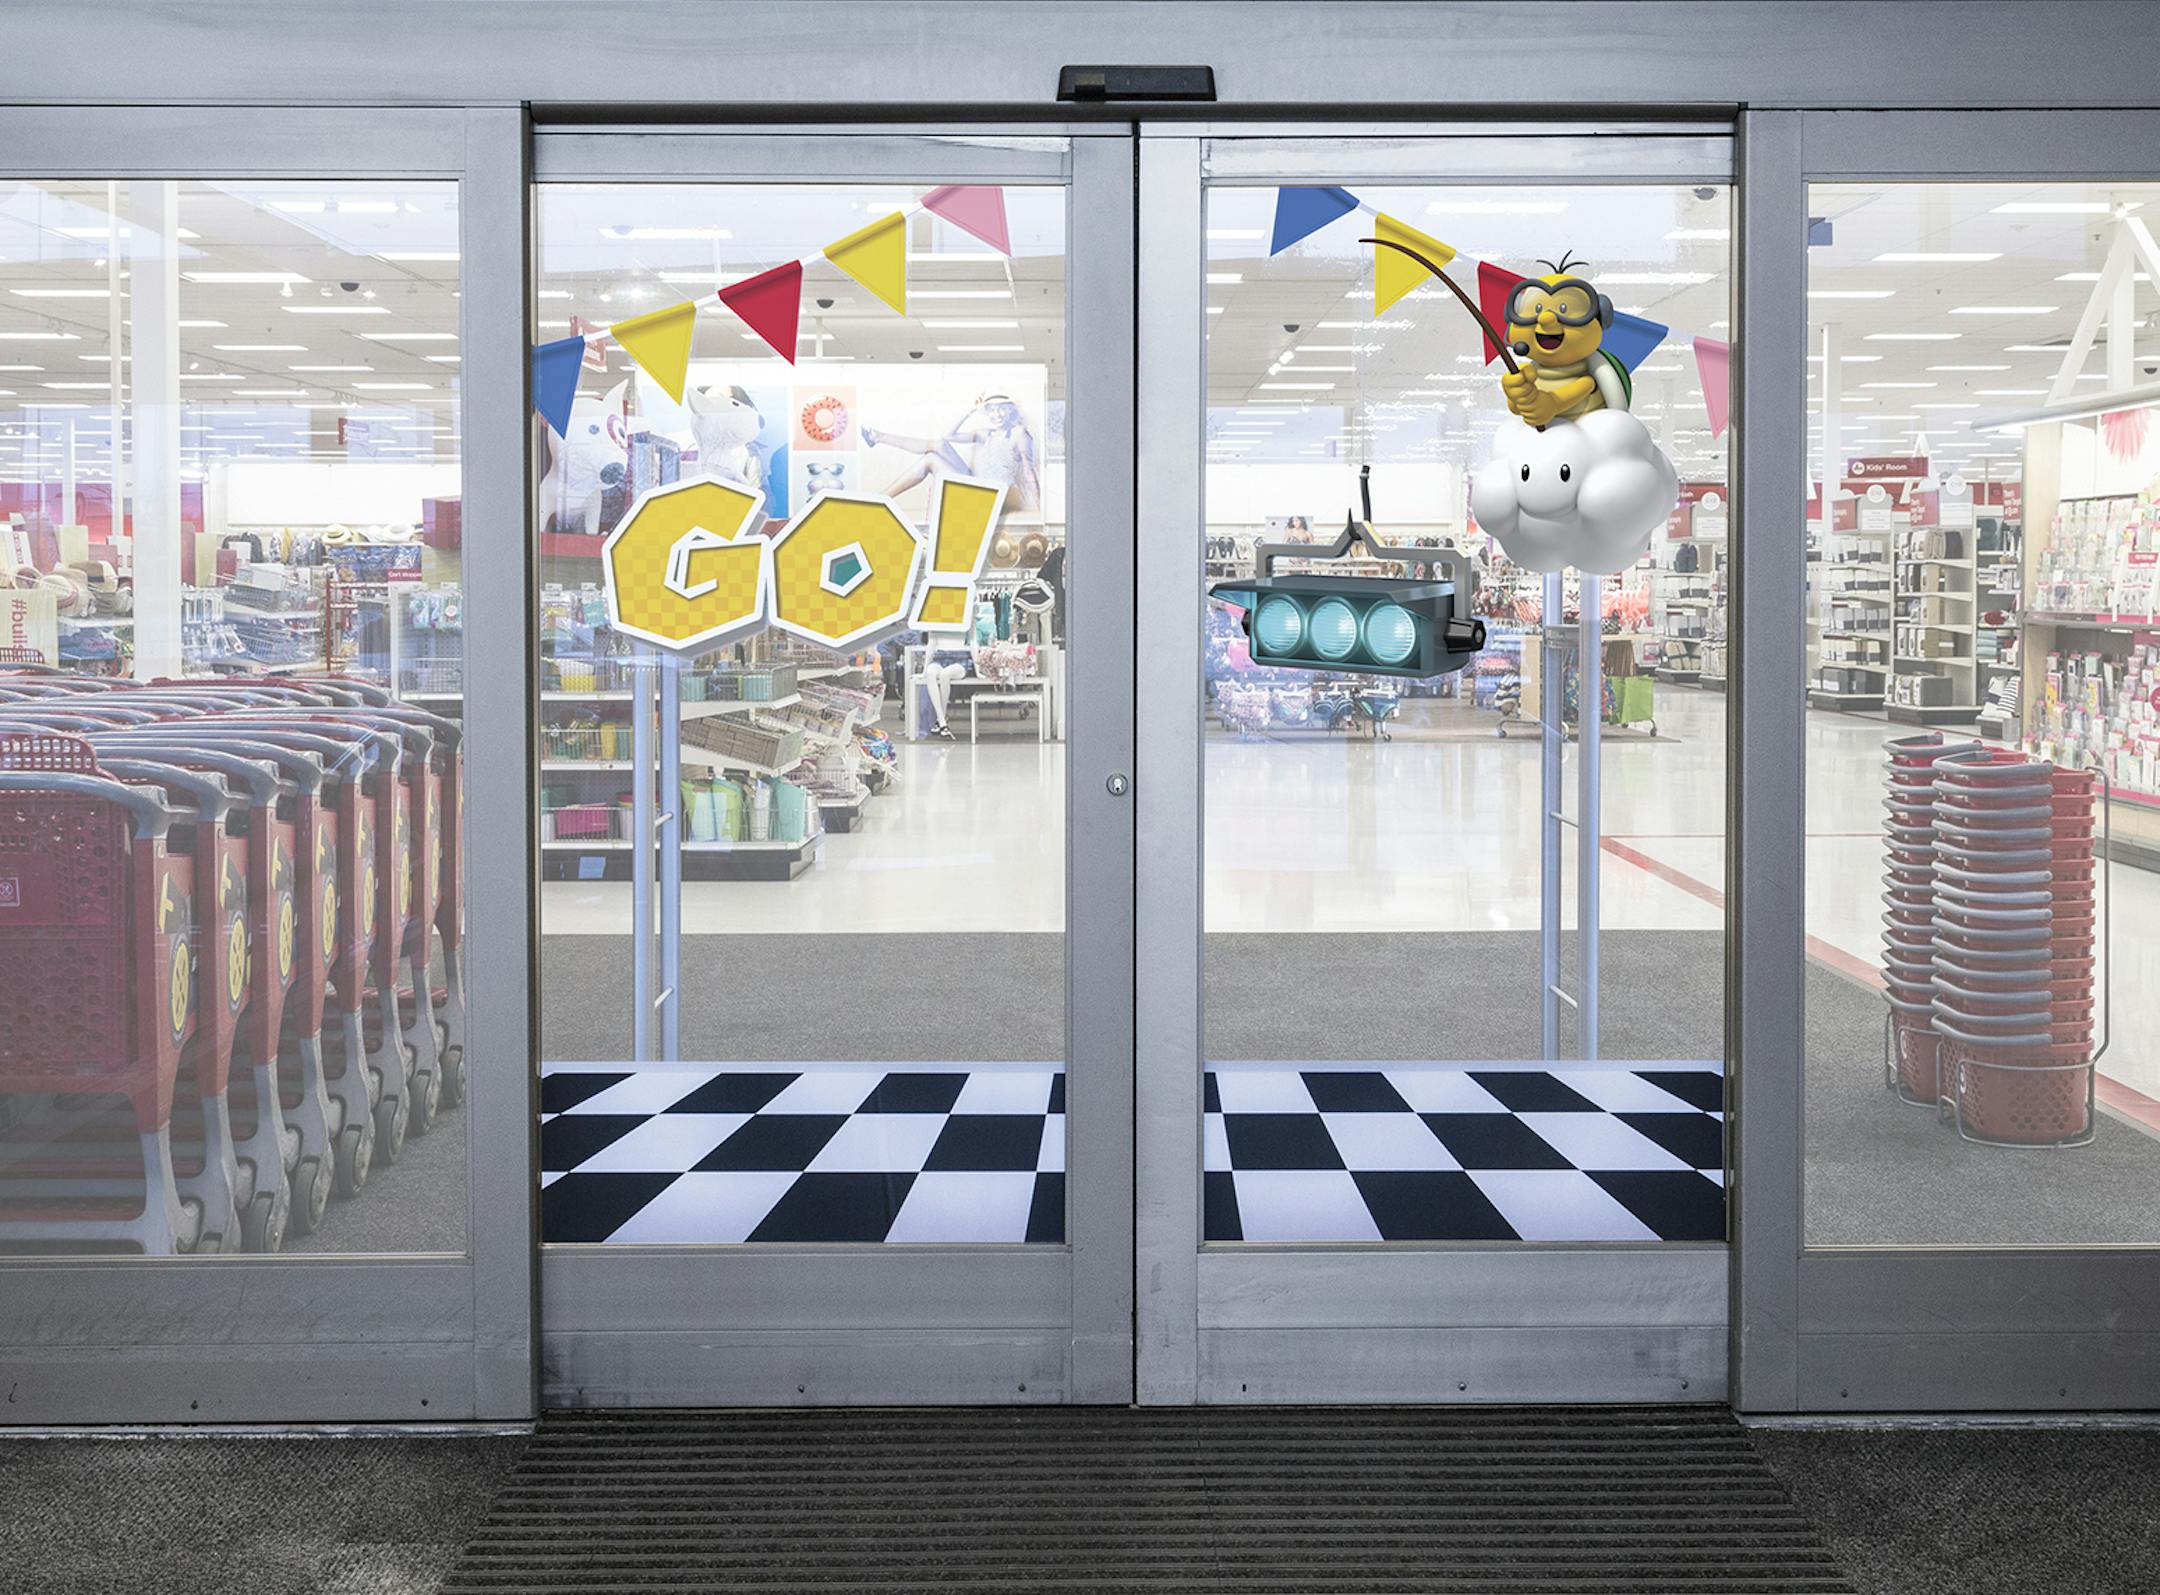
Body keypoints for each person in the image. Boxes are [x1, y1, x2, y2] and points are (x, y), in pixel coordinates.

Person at [1497, 254, 1633, 428]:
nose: (1546, 318)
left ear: (1599, 318)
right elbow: (1518, 409)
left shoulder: (1587, 379)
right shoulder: (1529, 372)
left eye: (1564, 310)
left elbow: (1563, 399)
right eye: (1537, 309)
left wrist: (1551, 404)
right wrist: (1517, 395)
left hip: (1587, 437)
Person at [861, 391, 1042, 511]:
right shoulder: (987, 434)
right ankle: (878, 437)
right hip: (978, 484)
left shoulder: (1019, 434)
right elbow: (947, 435)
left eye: (1002, 410)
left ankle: (880, 499)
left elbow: (1029, 470)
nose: (998, 415)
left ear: (1010, 411)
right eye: (992, 411)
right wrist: (970, 410)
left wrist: (1040, 506)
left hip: (989, 495)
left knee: (930, 460)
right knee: (939, 445)